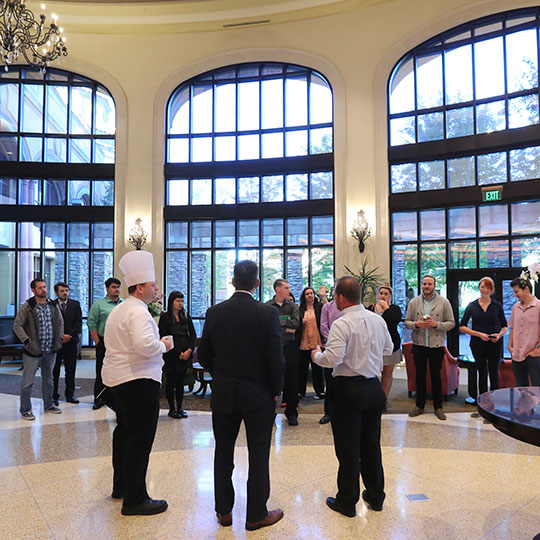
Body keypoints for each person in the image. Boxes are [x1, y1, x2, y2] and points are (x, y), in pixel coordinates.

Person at [197, 260, 285, 531]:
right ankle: (256, 514)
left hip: (224, 392)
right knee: (259, 454)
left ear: (233, 282)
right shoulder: (267, 313)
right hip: (258, 393)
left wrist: (221, 374)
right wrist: (275, 390)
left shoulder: (215, 312)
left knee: (223, 452)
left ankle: (224, 511)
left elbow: (203, 355)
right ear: (257, 284)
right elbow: (276, 359)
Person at [312, 276, 393, 517]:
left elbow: (332, 359)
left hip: (348, 390)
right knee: (371, 444)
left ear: (339, 297)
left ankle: (347, 501)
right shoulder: (377, 320)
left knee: (348, 448)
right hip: (373, 388)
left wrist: (316, 355)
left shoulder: (341, 323)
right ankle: (376, 495)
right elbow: (388, 349)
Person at [102, 250, 173, 516]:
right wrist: (163, 345)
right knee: (139, 440)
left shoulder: (121, 309)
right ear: (141, 288)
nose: (157, 289)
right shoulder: (139, 312)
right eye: (154, 285)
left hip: (120, 382)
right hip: (138, 381)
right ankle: (135, 499)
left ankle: (121, 486)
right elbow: (145, 346)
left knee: (124, 435)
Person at [404, 275, 455, 421]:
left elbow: (451, 323)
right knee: (419, 376)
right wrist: (417, 324)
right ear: (421, 285)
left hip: (436, 346)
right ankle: (419, 405)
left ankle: (438, 407)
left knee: (436, 377)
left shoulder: (444, 302)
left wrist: (436, 324)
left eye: (429, 284)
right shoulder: (414, 302)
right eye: (424, 284)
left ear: (434, 285)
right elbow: (407, 322)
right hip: (419, 345)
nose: (426, 286)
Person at [14, 278, 64, 420]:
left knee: (48, 380)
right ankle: (25, 409)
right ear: (33, 290)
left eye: (44, 287)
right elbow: (17, 325)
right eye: (40, 288)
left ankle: (49, 405)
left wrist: (59, 338)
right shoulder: (28, 306)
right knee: (28, 381)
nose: (44, 290)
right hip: (33, 351)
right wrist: (27, 340)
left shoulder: (53, 305)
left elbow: (60, 323)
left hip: (50, 349)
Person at [459, 277, 507, 395]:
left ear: (492, 290)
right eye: (483, 286)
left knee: (494, 371)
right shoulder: (472, 305)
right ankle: (483, 401)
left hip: (495, 343)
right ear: (479, 288)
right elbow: (462, 326)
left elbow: (505, 326)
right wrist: (479, 334)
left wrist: (499, 335)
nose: (485, 290)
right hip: (477, 343)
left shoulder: (497, 305)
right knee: (482, 371)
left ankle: (495, 400)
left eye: (488, 287)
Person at [266, 279, 300, 426]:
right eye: (286, 288)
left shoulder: (292, 306)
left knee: (291, 381)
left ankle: (292, 414)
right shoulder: (267, 306)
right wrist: (286, 324)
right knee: (272, 380)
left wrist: (279, 322)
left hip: (290, 347)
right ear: (277, 289)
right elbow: (267, 325)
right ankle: (270, 413)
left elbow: (296, 323)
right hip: (273, 348)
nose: (289, 290)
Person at [158, 291, 196, 419]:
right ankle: (171, 409)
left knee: (180, 382)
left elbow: (193, 335)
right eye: (177, 301)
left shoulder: (185, 316)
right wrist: (178, 353)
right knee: (171, 382)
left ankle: (180, 407)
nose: (180, 304)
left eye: (182, 301)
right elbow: (163, 336)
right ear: (171, 302)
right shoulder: (165, 318)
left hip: (185, 353)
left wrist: (189, 350)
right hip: (172, 354)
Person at [87, 277, 122, 410]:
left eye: (118, 287)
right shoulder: (99, 305)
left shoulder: (123, 304)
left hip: (120, 343)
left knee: (118, 370)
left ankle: (116, 398)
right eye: (113, 287)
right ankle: (99, 398)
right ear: (107, 289)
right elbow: (92, 324)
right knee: (101, 370)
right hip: (104, 341)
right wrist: (97, 342)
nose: (116, 289)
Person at [367, 285, 403, 408]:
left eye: (386, 294)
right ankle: (373, 399)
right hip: (373, 346)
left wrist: (386, 308)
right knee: (371, 374)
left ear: (390, 296)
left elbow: (394, 320)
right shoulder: (370, 309)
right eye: (381, 293)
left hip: (391, 346)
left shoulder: (394, 309)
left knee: (387, 374)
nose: (383, 295)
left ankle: (383, 400)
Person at [52, 282, 83, 405]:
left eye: (66, 290)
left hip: (70, 341)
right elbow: (50, 323)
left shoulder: (75, 304)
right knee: (55, 370)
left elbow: (78, 322)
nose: (65, 293)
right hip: (56, 342)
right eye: (62, 291)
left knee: (71, 369)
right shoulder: (51, 305)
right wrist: (60, 336)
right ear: (56, 293)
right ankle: (54, 395)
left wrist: (69, 335)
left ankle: (70, 394)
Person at [508, 276, 540, 386]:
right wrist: (510, 346)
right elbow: (512, 326)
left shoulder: (539, 306)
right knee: (520, 389)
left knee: (537, 388)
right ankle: (523, 404)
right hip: (517, 355)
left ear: (526, 289)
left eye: (517, 291)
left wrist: (537, 350)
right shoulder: (515, 307)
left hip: (534, 355)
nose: (515, 295)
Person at [296, 287, 325, 401]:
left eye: (311, 293)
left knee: (317, 368)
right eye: (307, 294)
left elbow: (328, 310)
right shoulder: (299, 309)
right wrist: (301, 322)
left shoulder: (319, 307)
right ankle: (300, 392)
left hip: (317, 341)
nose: (310, 295)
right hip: (304, 341)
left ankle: (320, 391)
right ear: (304, 296)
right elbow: (296, 323)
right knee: (302, 368)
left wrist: (323, 296)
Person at [319, 296, 342, 425]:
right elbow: (324, 326)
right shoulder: (327, 307)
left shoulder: (350, 309)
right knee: (330, 382)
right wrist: (333, 341)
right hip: (331, 347)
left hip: (347, 351)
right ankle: (329, 412)